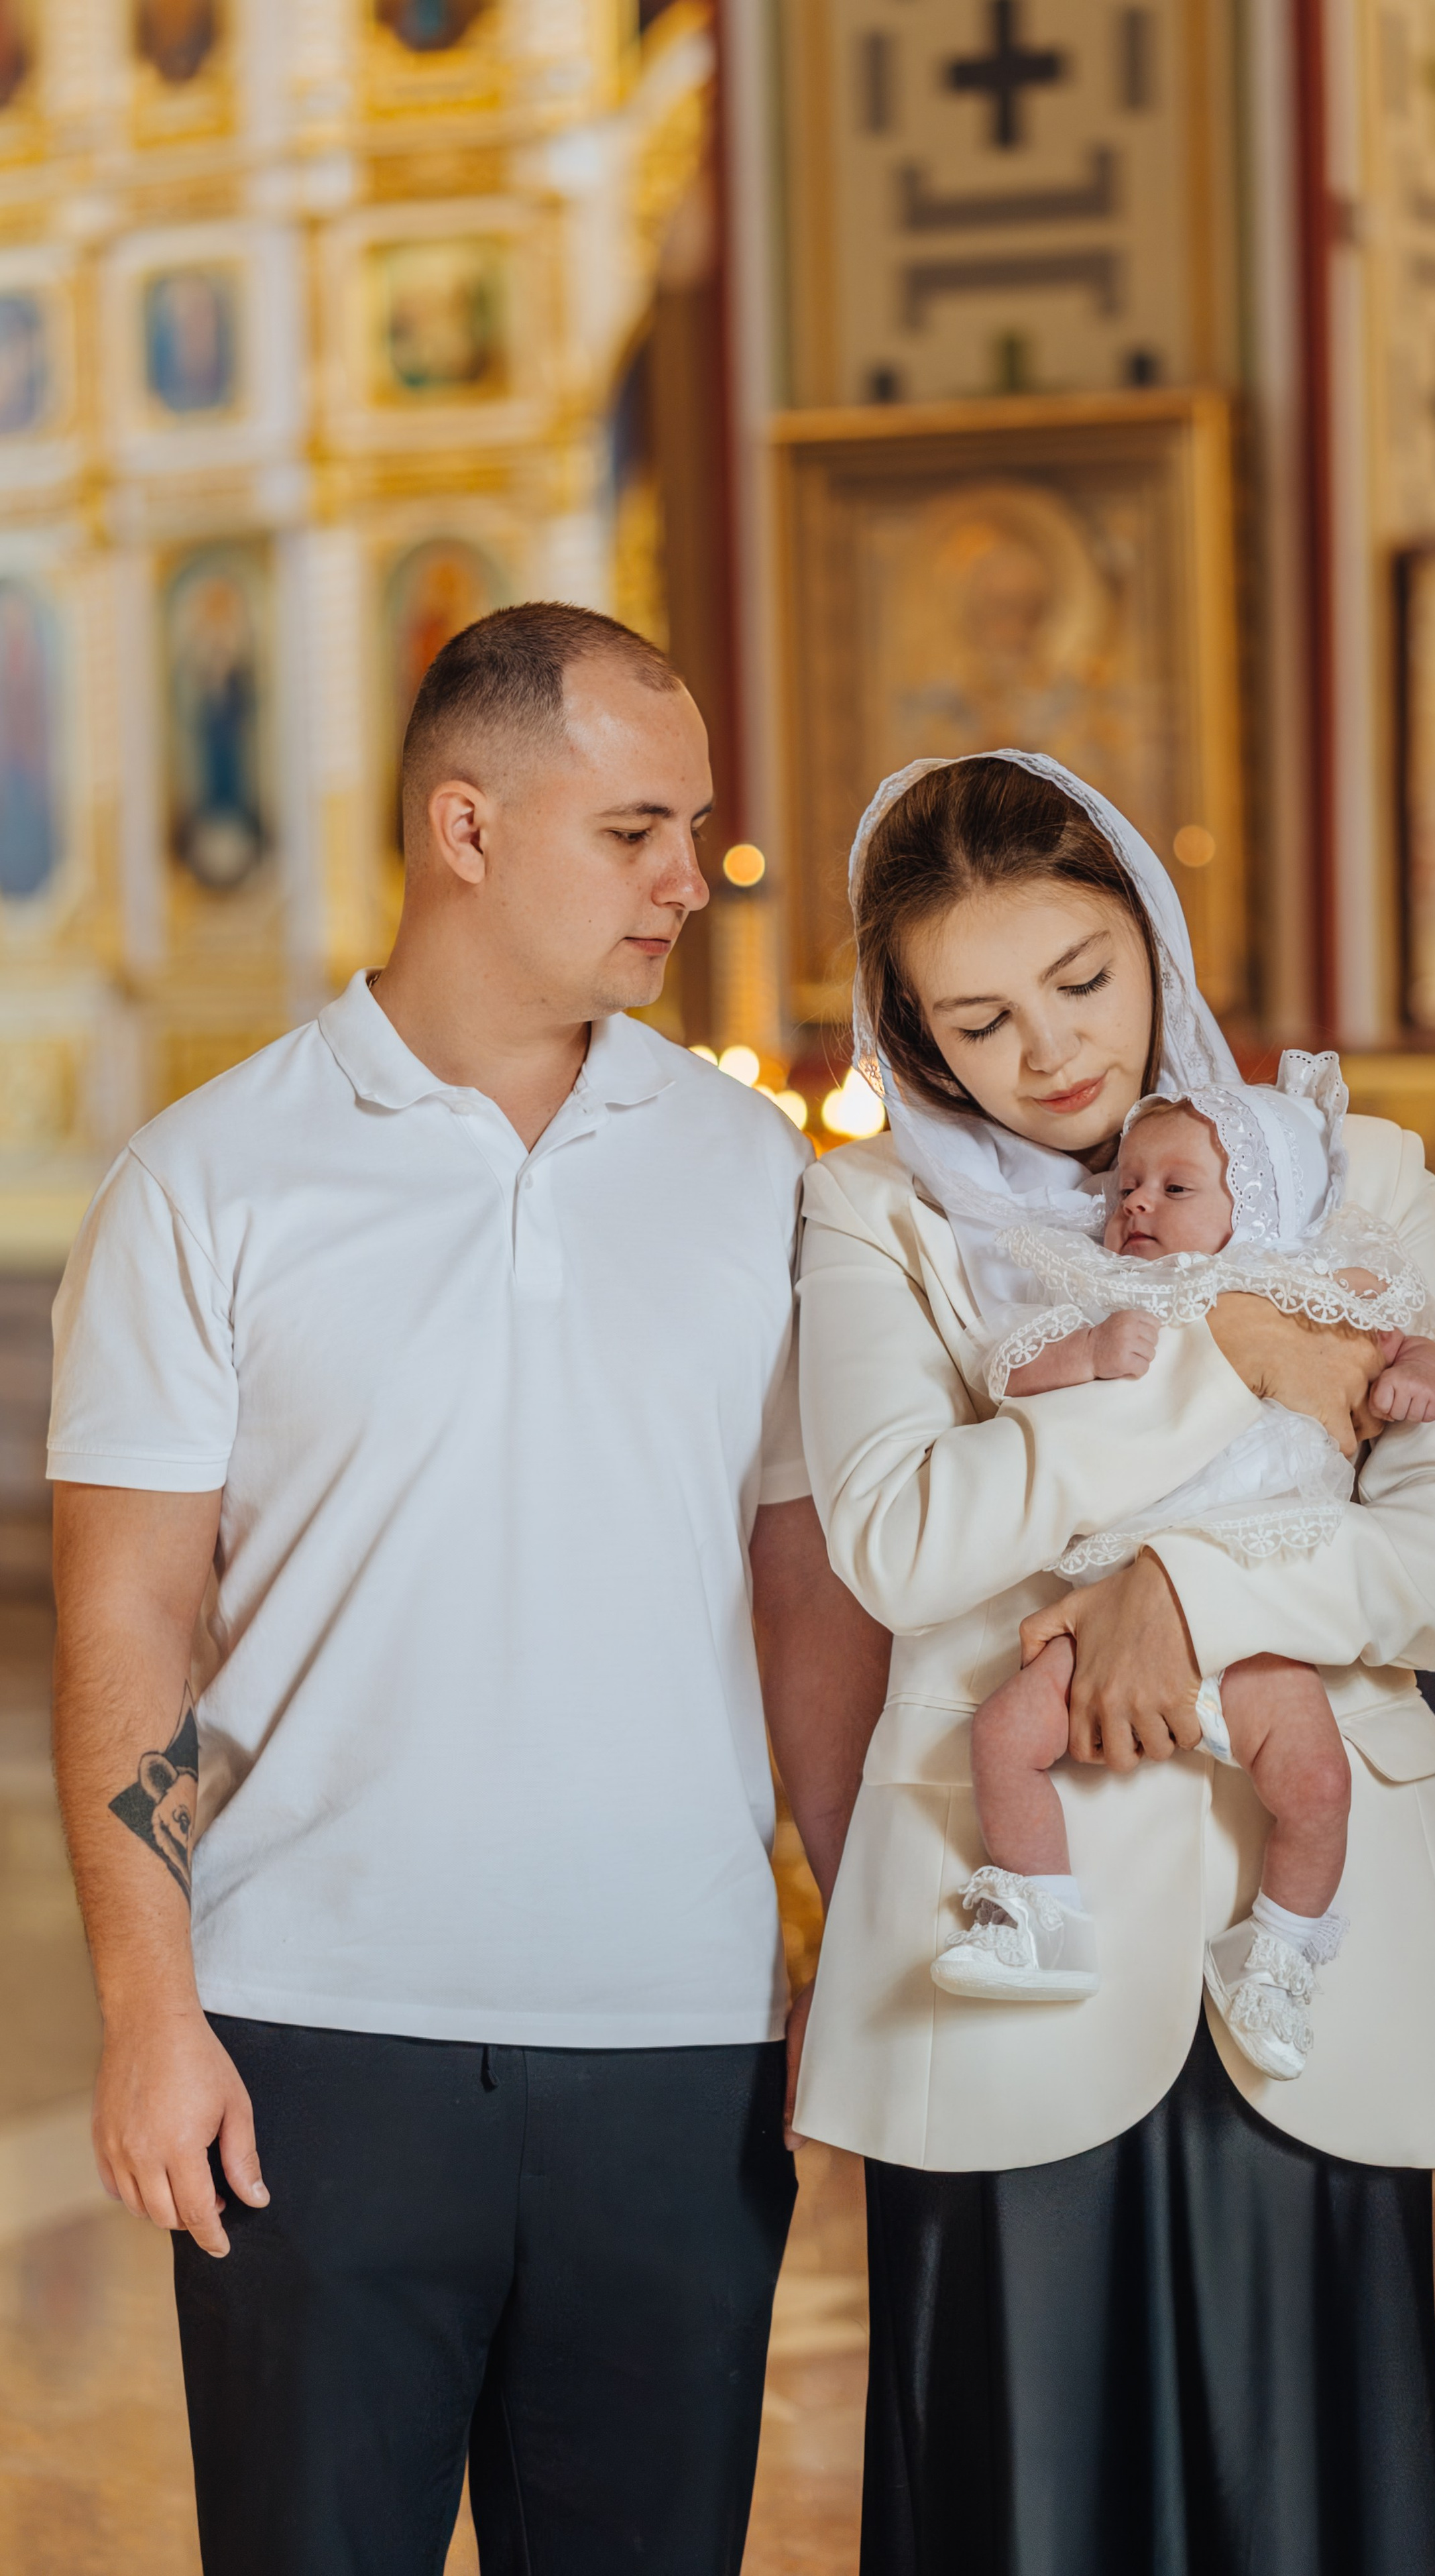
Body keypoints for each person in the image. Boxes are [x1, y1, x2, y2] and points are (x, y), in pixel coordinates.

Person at [48, 602, 889, 2576]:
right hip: (304, 2044)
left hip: (679, 2048)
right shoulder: (205, 1183)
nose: (694, 879)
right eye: (638, 831)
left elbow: (812, 1591)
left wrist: (860, 1930)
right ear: (465, 825)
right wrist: (148, 2007)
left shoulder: (756, 1172)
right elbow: (123, 1623)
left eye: (697, 830)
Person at [790, 750, 1435, 2575]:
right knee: (1020, 2500)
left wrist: (1200, 1593)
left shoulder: (1348, 1176)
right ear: (910, 1036)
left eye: (1083, 979)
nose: (1052, 1050)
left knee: (1306, 2502)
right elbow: (900, 1538)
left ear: (1154, 930)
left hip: (1313, 1941)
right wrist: (1225, 1360)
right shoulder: (872, 1217)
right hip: (1003, 1959)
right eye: (977, 1018)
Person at [931, 1060, 1435, 2082]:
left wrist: (1415, 1381)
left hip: (1259, 1604)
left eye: (1177, 1189)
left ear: (1258, 1208)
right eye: (1129, 1184)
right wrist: (1087, 1354)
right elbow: (1008, 1368)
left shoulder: (1317, 1292)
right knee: (1003, 1735)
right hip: (1107, 1601)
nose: (1137, 1202)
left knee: (1315, 1781)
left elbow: (1420, 1344)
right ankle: (1042, 1914)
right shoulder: (1110, 1290)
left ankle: (1279, 1950)